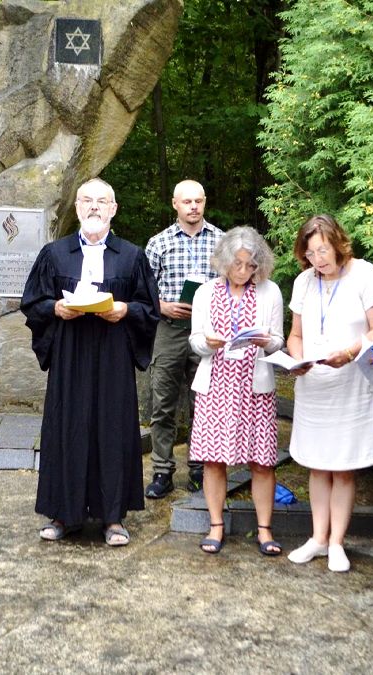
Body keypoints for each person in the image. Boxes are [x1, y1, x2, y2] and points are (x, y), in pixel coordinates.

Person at [21, 178, 160, 547]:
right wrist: (55, 307)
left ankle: (113, 517)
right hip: (70, 354)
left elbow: (151, 309)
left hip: (113, 354)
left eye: (102, 201)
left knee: (112, 429)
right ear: (77, 207)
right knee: (68, 427)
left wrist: (125, 309)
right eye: (87, 200)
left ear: (114, 209)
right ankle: (62, 514)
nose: (94, 207)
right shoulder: (55, 253)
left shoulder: (132, 256)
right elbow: (32, 302)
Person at [284, 214, 373, 573]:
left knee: (343, 467)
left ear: (338, 243)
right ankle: (317, 538)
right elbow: (295, 334)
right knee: (316, 463)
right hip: (314, 383)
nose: (318, 260)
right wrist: (296, 360)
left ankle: (337, 543)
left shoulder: (364, 273)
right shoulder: (303, 282)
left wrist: (348, 352)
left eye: (323, 251)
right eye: (310, 254)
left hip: (351, 382)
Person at [187, 227, 284, 555]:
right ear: (224, 262)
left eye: (251, 266)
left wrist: (266, 341)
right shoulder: (205, 292)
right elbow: (195, 339)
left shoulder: (270, 292)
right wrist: (208, 343)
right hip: (215, 385)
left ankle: (264, 530)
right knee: (214, 460)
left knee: (263, 461)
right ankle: (215, 525)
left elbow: (279, 342)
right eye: (238, 265)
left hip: (255, 388)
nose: (244, 272)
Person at [143, 179, 222, 499]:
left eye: (198, 201)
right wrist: (162, 305)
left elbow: (235, 286)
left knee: (203, 403)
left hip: (210, 332)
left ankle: (200, 470)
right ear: (175, 204)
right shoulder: (158, 243)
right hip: (169, 330)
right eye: (187, 201)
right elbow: (142, 292)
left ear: (204, 202)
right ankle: (162, 471)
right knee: (162, 404)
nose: (193, 207)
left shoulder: (222, 241)